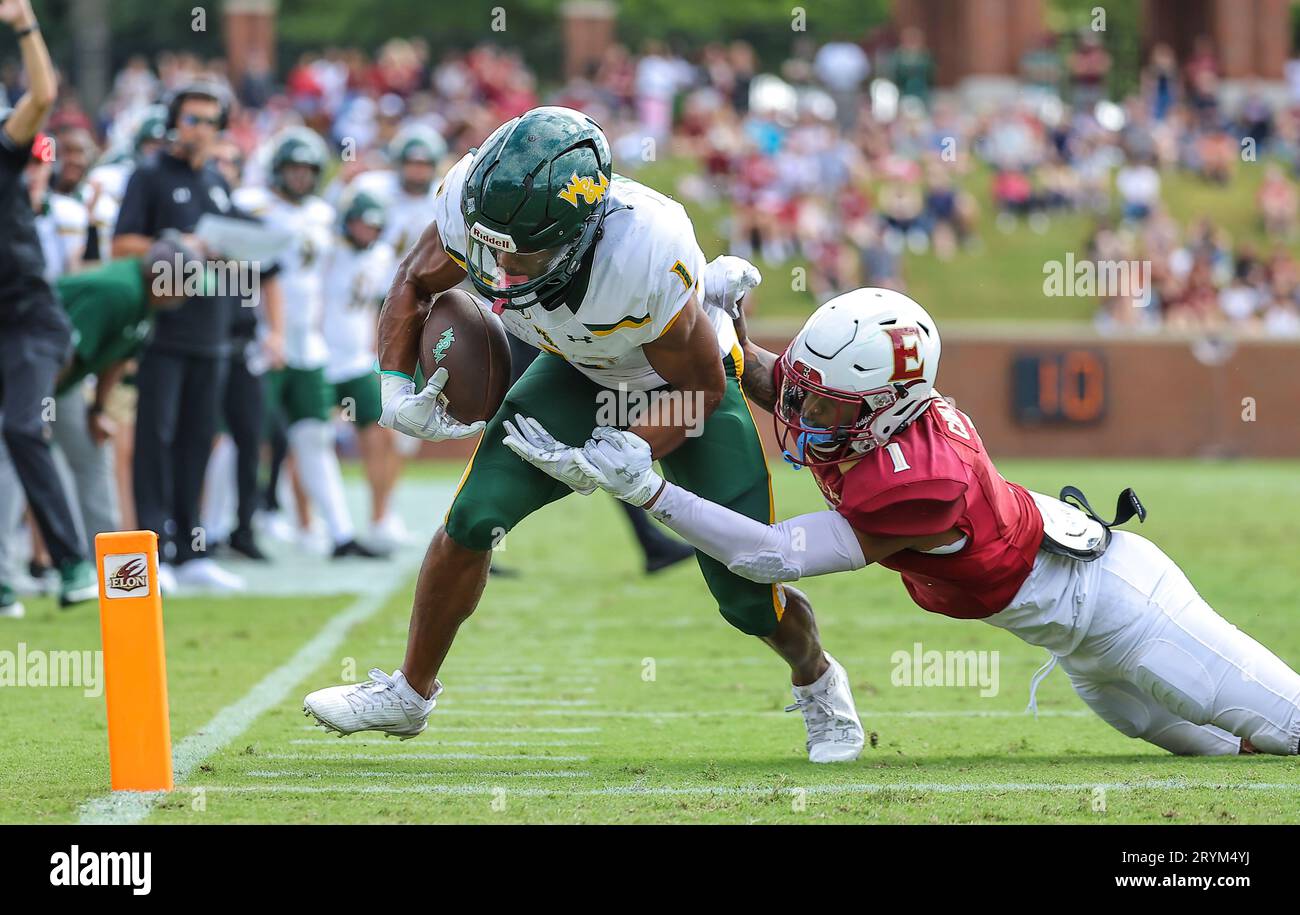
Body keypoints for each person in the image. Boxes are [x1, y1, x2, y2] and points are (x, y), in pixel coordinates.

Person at [304, 107, 865, 763]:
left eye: (524, 248)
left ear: (581, 231)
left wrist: (627, 452)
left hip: (675, 387)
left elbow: (703, 390)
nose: (498, 264)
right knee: (473, 518)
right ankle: (409, 692)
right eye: (490, 243)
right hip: (574, 371)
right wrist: (395, 388)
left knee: (747, 592)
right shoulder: (473, 201)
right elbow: (413, 279)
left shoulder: (646, 250)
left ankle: (818, 678)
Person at [540, 288, 1300, 758]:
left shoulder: (920, 481)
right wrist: (719, 321)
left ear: (884, 407)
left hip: (1128, 615)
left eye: (826, 405)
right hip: (1078, 646)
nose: (802, 414)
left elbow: (772, 557)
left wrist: (650, 491)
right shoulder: (869, 414)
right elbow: (783, 380)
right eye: (810, 393)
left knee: (1289, 728)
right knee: (1220, 749)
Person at [112, 78, 246, 592]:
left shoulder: (217, 180)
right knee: (155, 440)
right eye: (192, 119)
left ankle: (192, 551)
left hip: (211, 332)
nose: (200, 130)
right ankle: (152, 553)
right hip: (163, 330)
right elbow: (122, 244)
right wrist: (178, 244)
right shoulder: (149, 176)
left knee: (197, 441)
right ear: (174, 122)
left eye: (210, 121)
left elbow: (233, 249)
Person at [233, 127, 384, 560]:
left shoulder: (322, 214)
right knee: (240, 438)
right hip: (261, 339)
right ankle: (219, 529)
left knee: (315, 437)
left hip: (309, 346)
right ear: (277, 170)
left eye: (307, 170)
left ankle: (340, 534)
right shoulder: (252, 206)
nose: (300, 177)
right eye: (292, 168)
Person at [0, 0, 97, 618]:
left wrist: (23, 24)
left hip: (30, 320)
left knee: (20, 427)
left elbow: (41, 96)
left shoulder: (4, 149)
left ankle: (69, 562)